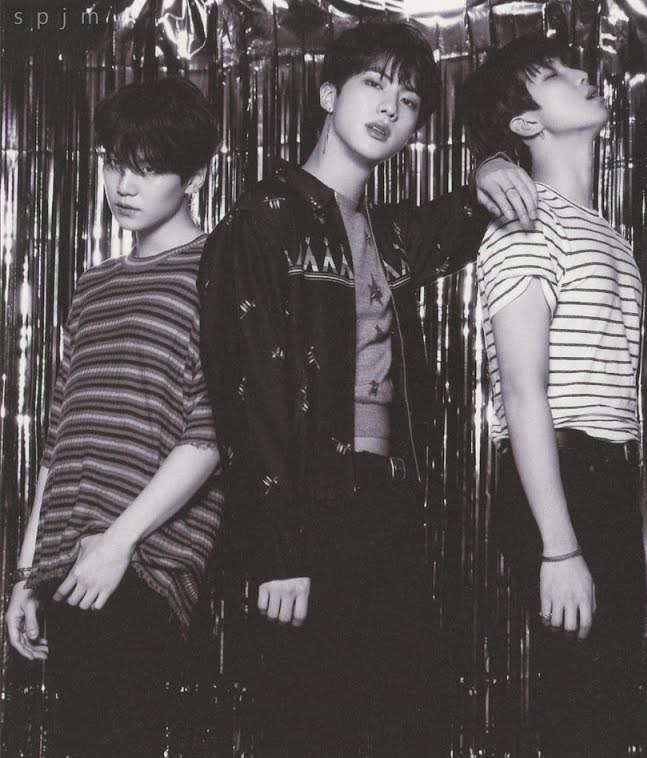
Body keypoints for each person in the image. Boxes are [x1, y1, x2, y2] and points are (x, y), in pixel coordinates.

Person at [197, 20, 537, 757]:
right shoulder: (262, 220)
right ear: (328, 94)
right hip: (305, 506)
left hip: (385, 498)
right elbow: (247, 395)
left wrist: (490, 163)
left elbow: (477, 207)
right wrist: (278, 551)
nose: (390, 107)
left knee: (403, 720)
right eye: (373, 85)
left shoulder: (390, 235)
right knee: (310, 725)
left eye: (409, 101)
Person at [462, 34, 647, 756]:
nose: (585, 73)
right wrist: (558, 548)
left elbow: (619, 414)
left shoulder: (611, 238)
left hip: (605, 475)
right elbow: (524, 394)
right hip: (558, 477)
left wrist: (645, 557)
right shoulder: (525, 224)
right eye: (554, 75)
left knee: (610, 713)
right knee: (577, 712)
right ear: (526, 122)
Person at [3, 77, 224, 757]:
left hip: (143, 560)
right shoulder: (93, 285)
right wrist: (27, 575)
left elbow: (212, 430)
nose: (123, 186)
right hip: (70, 561)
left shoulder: (220, 272)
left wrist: (118, 543)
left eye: (148, 168)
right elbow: (60, 439)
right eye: (113, 163)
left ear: (196, 176)